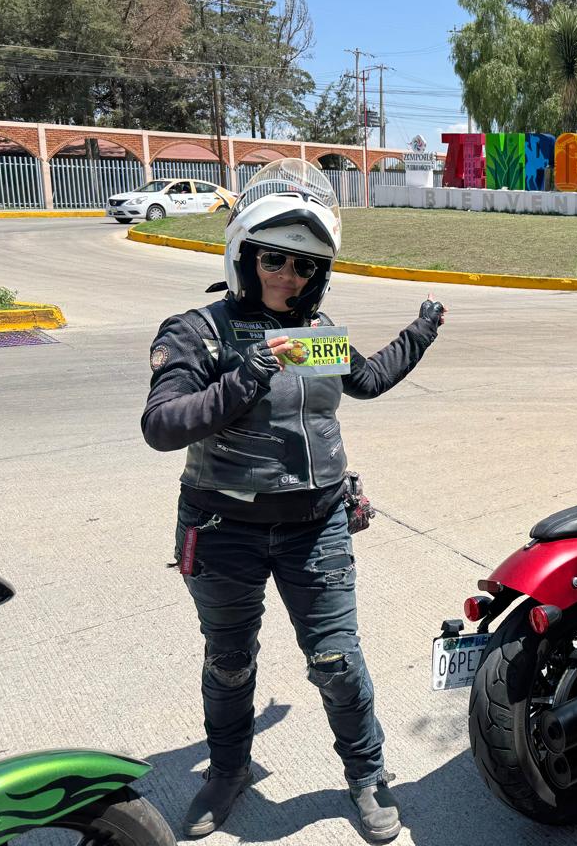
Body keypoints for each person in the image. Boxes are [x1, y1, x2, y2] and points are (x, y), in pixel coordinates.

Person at [141, 160, 446, 841]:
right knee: (229, 661)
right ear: (245, 257)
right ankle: (228, 769)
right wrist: (243, 377)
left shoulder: (316, 332)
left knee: (337, 662)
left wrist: (422, 330)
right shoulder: (199, 331)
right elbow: (161, 425)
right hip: (223, 527)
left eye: (305, 265)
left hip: (316, 526)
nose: (288, 276)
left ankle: (367, 775)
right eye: (273, 259)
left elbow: (368, 379)